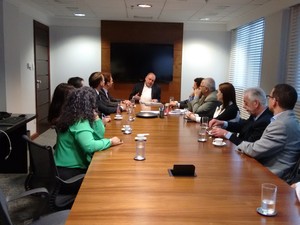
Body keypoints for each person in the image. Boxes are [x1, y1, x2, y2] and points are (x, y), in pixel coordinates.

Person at [54, 86, 123, 194]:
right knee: (108, 179)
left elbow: (98, 136)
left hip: (62, 169)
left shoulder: (71, 116)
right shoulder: (79, 121)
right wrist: (110, 142)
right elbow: (90, 146)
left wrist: (96, 118)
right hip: (70, 174)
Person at [236, 84, 300, 184]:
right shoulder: (290, 120)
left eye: (269, 97)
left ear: (275, 101)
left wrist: (237, 145)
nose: (268, 100)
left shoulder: (281, 124)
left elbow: (255, 150)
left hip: (272, 177)